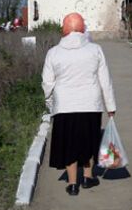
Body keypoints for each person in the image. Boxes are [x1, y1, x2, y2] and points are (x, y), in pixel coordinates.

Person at [42, 12, 116, 196]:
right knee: (88, 141)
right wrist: (110, 106)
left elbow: (47, 82)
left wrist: (51, 104)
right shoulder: (95, 50)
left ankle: (73, 184)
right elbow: (105, 80)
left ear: (64, 29)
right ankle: (88, 178)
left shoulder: (53, 52)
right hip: (90, 104)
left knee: (68, 144)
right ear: (83, 29)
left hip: (64, 106)